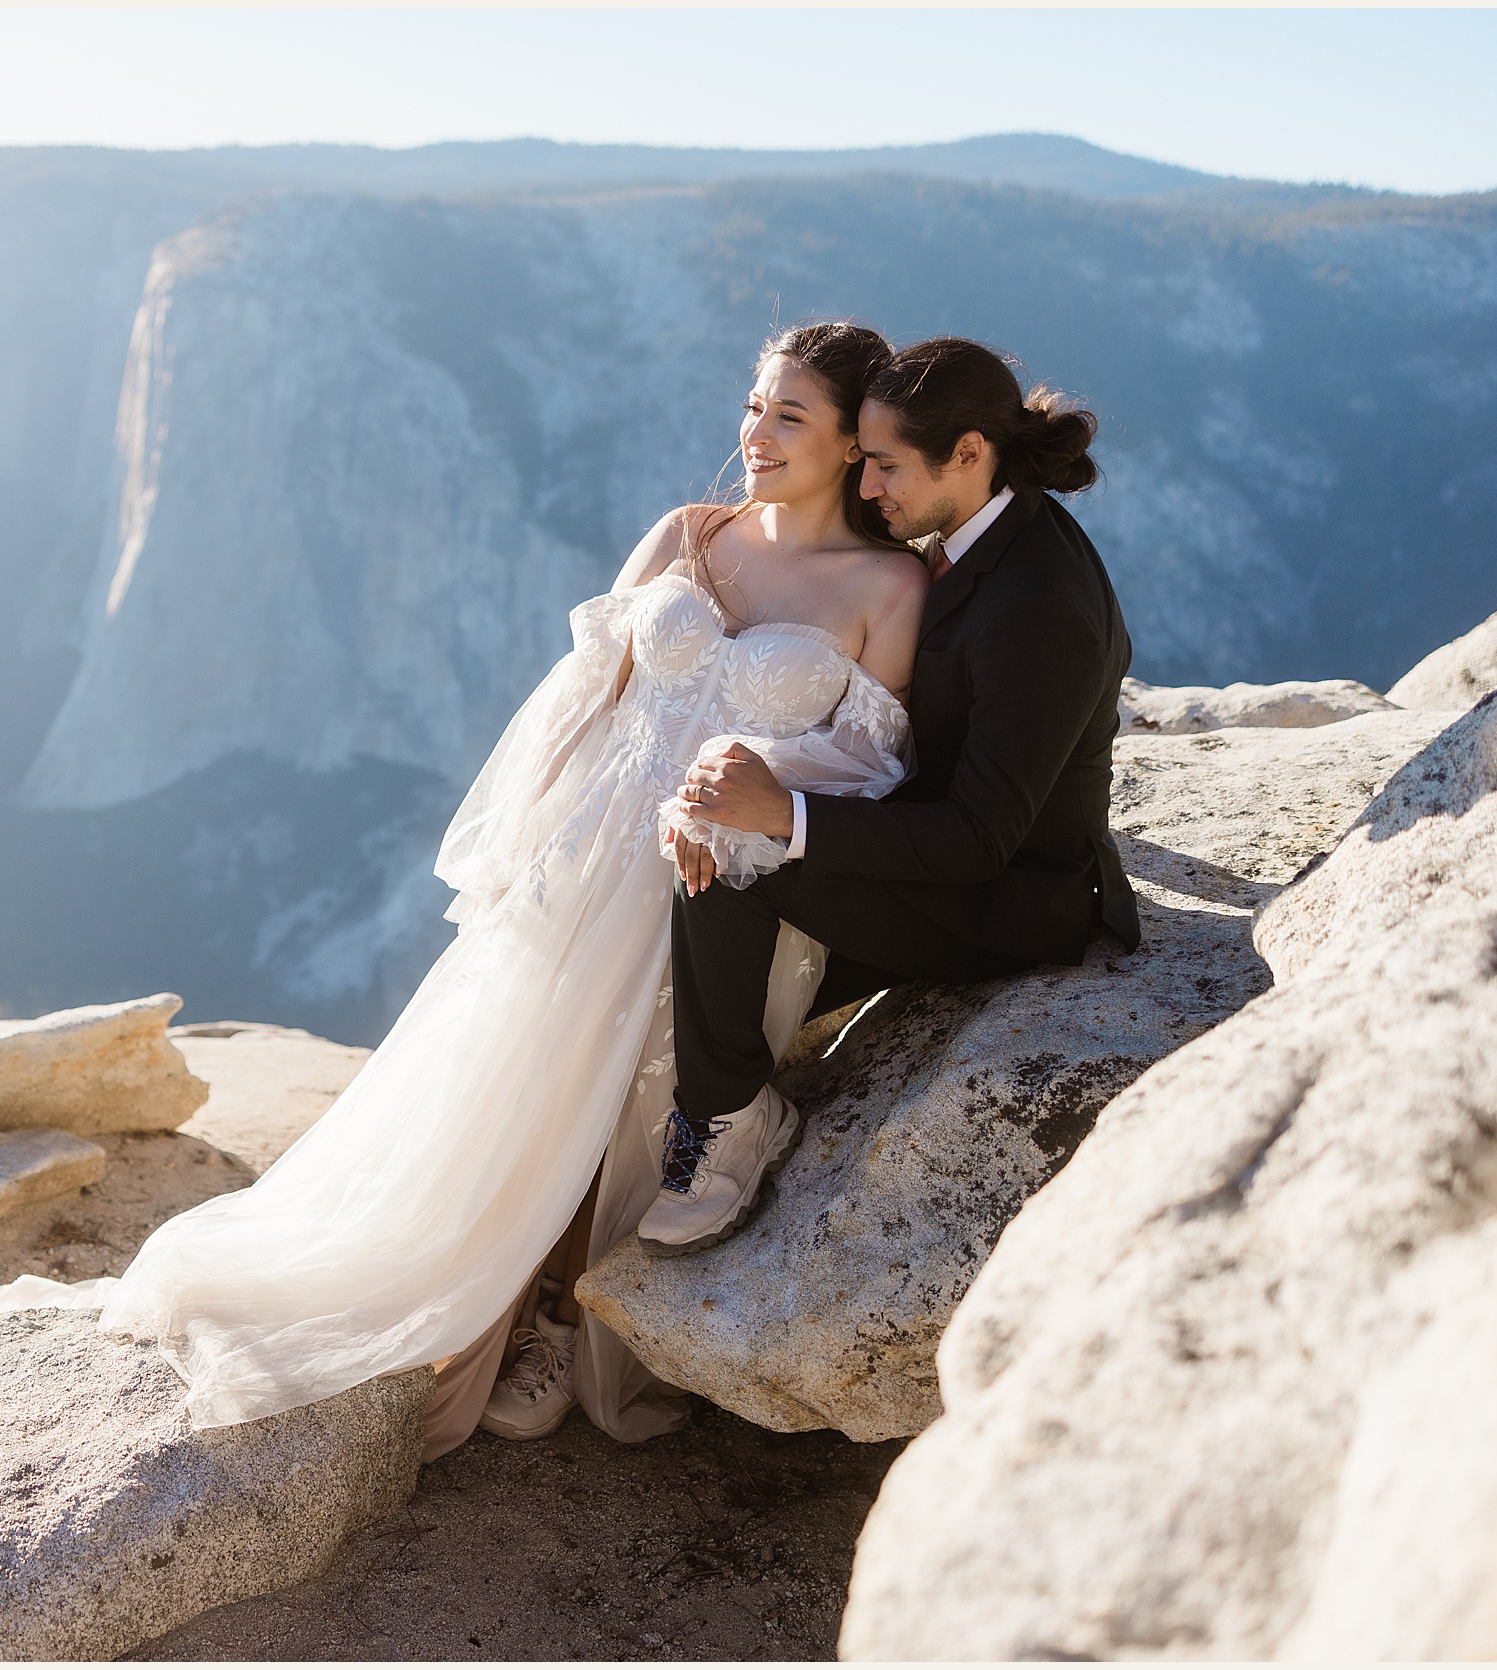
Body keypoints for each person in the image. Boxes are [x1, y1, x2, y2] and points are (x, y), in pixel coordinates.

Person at [98, 320, 930, 1457]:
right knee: (517, 1079)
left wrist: (753, 788)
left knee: (629, 1099)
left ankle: (560, 1313)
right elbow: (584, 694)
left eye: (789, 415)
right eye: (752, 404)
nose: (755, 432)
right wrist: (518, 844)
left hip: (718, 876)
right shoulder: (692, 531)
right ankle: (494, 1305)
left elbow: (873, 763)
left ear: (850, 441)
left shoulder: (887, 581)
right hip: (588, 843)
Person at [639, 336, 1138, 1259]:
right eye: (863, 462)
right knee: (682, 906)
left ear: (971, 454)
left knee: (737, 854)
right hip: (926, 834)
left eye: (886, 467)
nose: (867, 491)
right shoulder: (987, 529)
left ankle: (728, 1119)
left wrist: (778, 817)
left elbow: (980, 841)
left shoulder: (1039, 605)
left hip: (1001, 904)